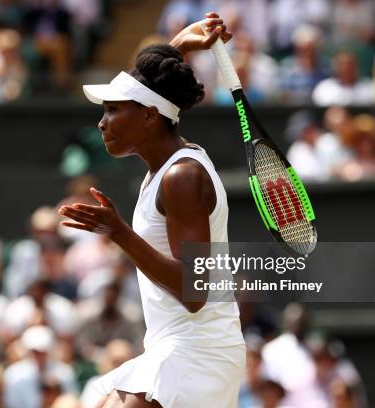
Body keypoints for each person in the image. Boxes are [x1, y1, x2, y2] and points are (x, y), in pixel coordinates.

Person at [59, 13, 245, 408]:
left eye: (112, 110)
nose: (102, 123)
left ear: (147, 115)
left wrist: (119, 233)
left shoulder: (182, 178)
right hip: (172, 346)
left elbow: (194, 292)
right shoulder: (166, 167)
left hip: (197, 352)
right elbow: (149, 89)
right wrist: (178, 45)